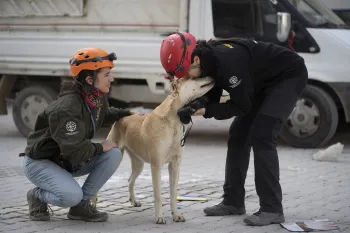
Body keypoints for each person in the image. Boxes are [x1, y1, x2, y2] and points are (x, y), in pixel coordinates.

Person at [159, 32, 308, 226]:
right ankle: (233, 201)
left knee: (262, 133)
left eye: (186, 73)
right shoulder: (208, 60)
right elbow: (214, 91)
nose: (187, 78)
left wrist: (207, 110)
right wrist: (198, 104)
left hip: (288, 75)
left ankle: (272, 208)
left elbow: (241, 106)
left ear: (195, 59)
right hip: (261, 81)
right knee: (238, 133)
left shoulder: (228, 64)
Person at [20, 48, 135, 222]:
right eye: (106, 75)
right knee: (70, 196)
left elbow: (103, 113)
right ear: (89, 79)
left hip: (65, 160)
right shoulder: (67, 108)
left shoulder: (94, 96)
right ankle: (37, 195)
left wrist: (130, 114)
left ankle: (81, 207)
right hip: (41, 163)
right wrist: (99, 147)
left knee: (113, 154)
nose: (111, 79)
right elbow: (74, 151)